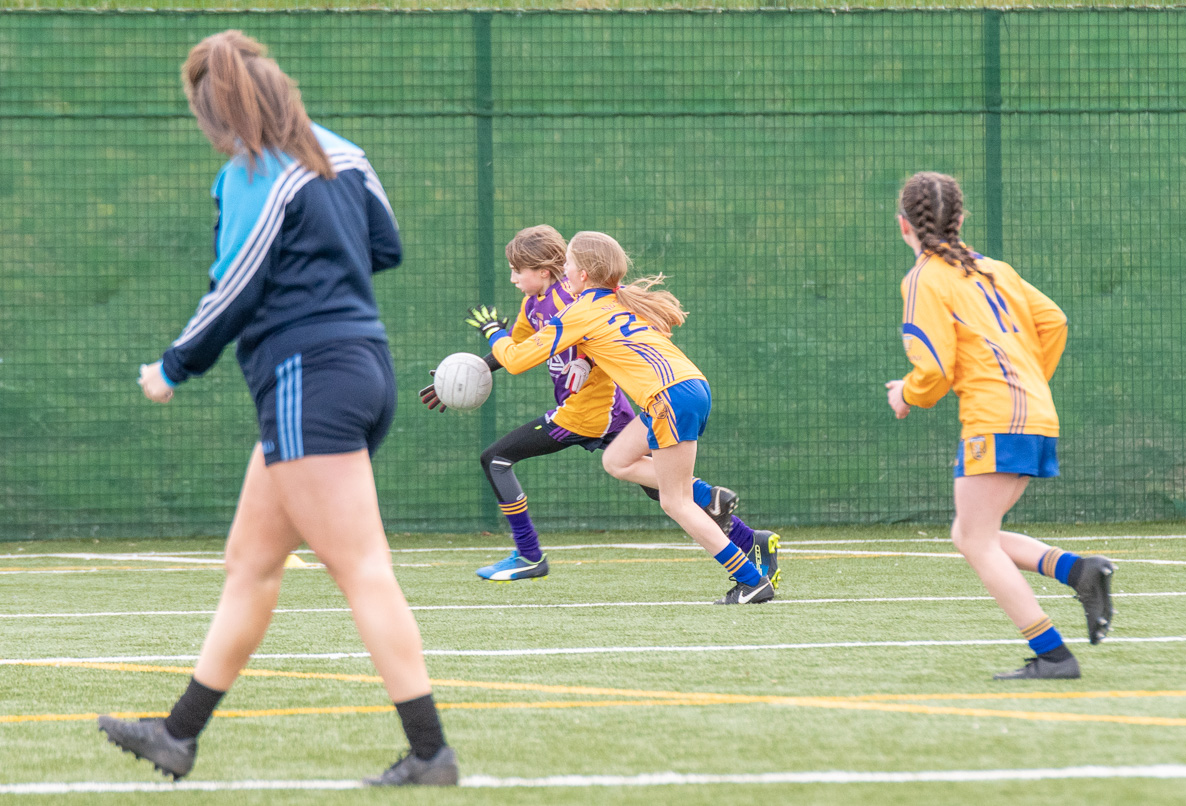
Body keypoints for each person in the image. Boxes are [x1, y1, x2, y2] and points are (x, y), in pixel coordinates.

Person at [96, 30, 457, 786]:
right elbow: (383, 246)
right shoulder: (342, 153)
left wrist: (172, 366)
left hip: (306, 379)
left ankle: (430, 754)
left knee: (361, 568)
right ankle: (177, 735)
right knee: (250, 565)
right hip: (361, 367)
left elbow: (234, 289)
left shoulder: (252, 174)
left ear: (216, 111)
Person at [423, 225, 780, 586]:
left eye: (518, 270)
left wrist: (492, 331)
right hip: (644, 403)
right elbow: (515, 350)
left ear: (549, 271)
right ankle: (749, 538)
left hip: (589, 411)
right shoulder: (535, 306)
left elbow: (517, 356)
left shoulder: (576, 301)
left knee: (497, 459)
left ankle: (529, 555)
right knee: (653, 481)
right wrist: (463, 376)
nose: (513, 278)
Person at [884, 171, 1115, 680]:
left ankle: (1053, 655)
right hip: (1032, 410)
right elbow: (1053, 321)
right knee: (971, 533)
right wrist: (1027, 383)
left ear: (904, 225)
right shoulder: (995, 269)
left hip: (997, 417)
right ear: (961, 220)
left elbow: (936, 370)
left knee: (976, 540)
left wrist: (907, 394)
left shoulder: (923, 277)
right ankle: (1079, 571)